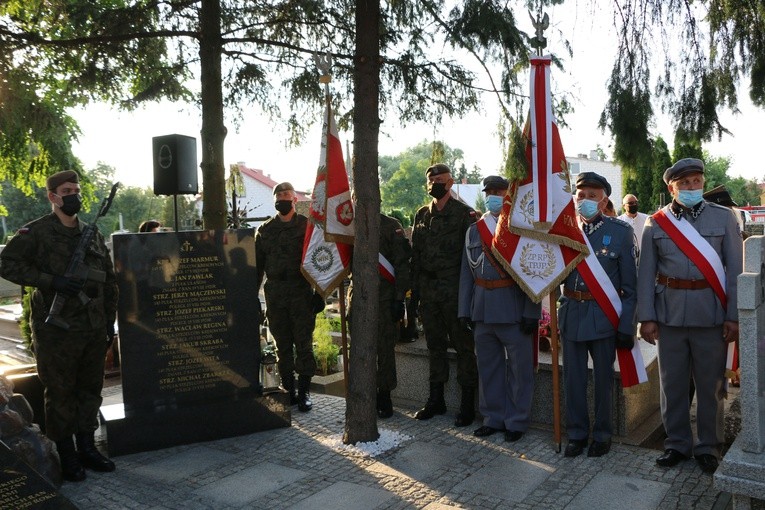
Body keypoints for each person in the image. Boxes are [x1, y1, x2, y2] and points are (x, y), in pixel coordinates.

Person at [0, 170, 119, 482]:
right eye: (66, 190)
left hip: (92, 327)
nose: (73, 196)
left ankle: (88, 449)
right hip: (57, 330)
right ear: (52, 197)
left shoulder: (91, 233)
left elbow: (109, 279)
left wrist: (109, 321)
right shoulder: (35, 233)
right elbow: (7, 264)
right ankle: (66, 455)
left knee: (90, 391)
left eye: (76, 190)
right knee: (61, 393)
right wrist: (52, 281)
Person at [637, 158, 742, 474]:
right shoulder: (655, 223)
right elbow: (646, 274)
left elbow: (736, 271)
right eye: (685, 183)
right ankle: (677, 444)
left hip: (710, 315)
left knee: (711, 385)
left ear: (703, 183)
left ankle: (708, 446)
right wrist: (647, 317)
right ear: (672, 187)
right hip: (669, 316)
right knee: (672, 383)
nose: (692, 187)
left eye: (697, 181)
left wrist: (733, 315)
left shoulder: (724, 218)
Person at [559, 172, 637, 458]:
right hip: (571, 313)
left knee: (603, 380)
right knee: (573, 380)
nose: (586, 201)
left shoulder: (620, 231)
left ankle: (602, 434)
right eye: (581, 195)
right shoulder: (564, 231)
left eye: (593, 196)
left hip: (603, 316)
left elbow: (630, 286)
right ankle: (577, 433)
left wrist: (628, 324)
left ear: (605, 201)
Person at [458, 176, 540, 442]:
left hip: (513, 307)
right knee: (488, 366)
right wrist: (464, 310)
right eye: (490, 192)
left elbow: (535, 273)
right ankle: (493, 417)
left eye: (499, 191)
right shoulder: (474, 230)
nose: (494, 196)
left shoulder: (522, 227)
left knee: (520, 369)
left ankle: (516, 421)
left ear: (510, 195)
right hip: (481, 308)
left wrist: (532, 311)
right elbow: (466, 274)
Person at [411, 163, 478, 426]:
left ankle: (467, 405)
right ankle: (435, 400)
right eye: (431, 181)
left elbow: (471, 258)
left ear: (450, 183)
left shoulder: (464, 214)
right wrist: (413, 297)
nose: (434, 184)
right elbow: (415, 256)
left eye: (440, 179)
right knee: (434, 346)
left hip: (455, 291)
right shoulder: (421, 215)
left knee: (464, 347)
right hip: (428, 292)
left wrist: (469, 297)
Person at [255, 182, 317, 412]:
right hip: (276, 293)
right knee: (282, 344)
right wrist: (254, 296)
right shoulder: (265, 230)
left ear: (294, 199)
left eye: (286, 195)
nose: (282, 198)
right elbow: (257, 267)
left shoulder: (306, 226)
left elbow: (318, 261)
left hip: (300, 290)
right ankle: (289, 391)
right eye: (279, 195)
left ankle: (305, 392)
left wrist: (320, 293)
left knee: (303, 344)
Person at [348, 213, 411, 418]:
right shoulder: (347, 225)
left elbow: (401, 264)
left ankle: (384, 395)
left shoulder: (391, 226)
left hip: (384, 298)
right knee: (359, 349)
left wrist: (399, 299)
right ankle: (364, 395)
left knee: (384, 349)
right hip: (358, 298)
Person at [617, 194, 649, 258]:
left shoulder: (647, 219)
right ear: (624, 206)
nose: (634, 205)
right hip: (625, 257)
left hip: (644, 256)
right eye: (631, 203)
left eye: (636, 202)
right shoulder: (618, 221)